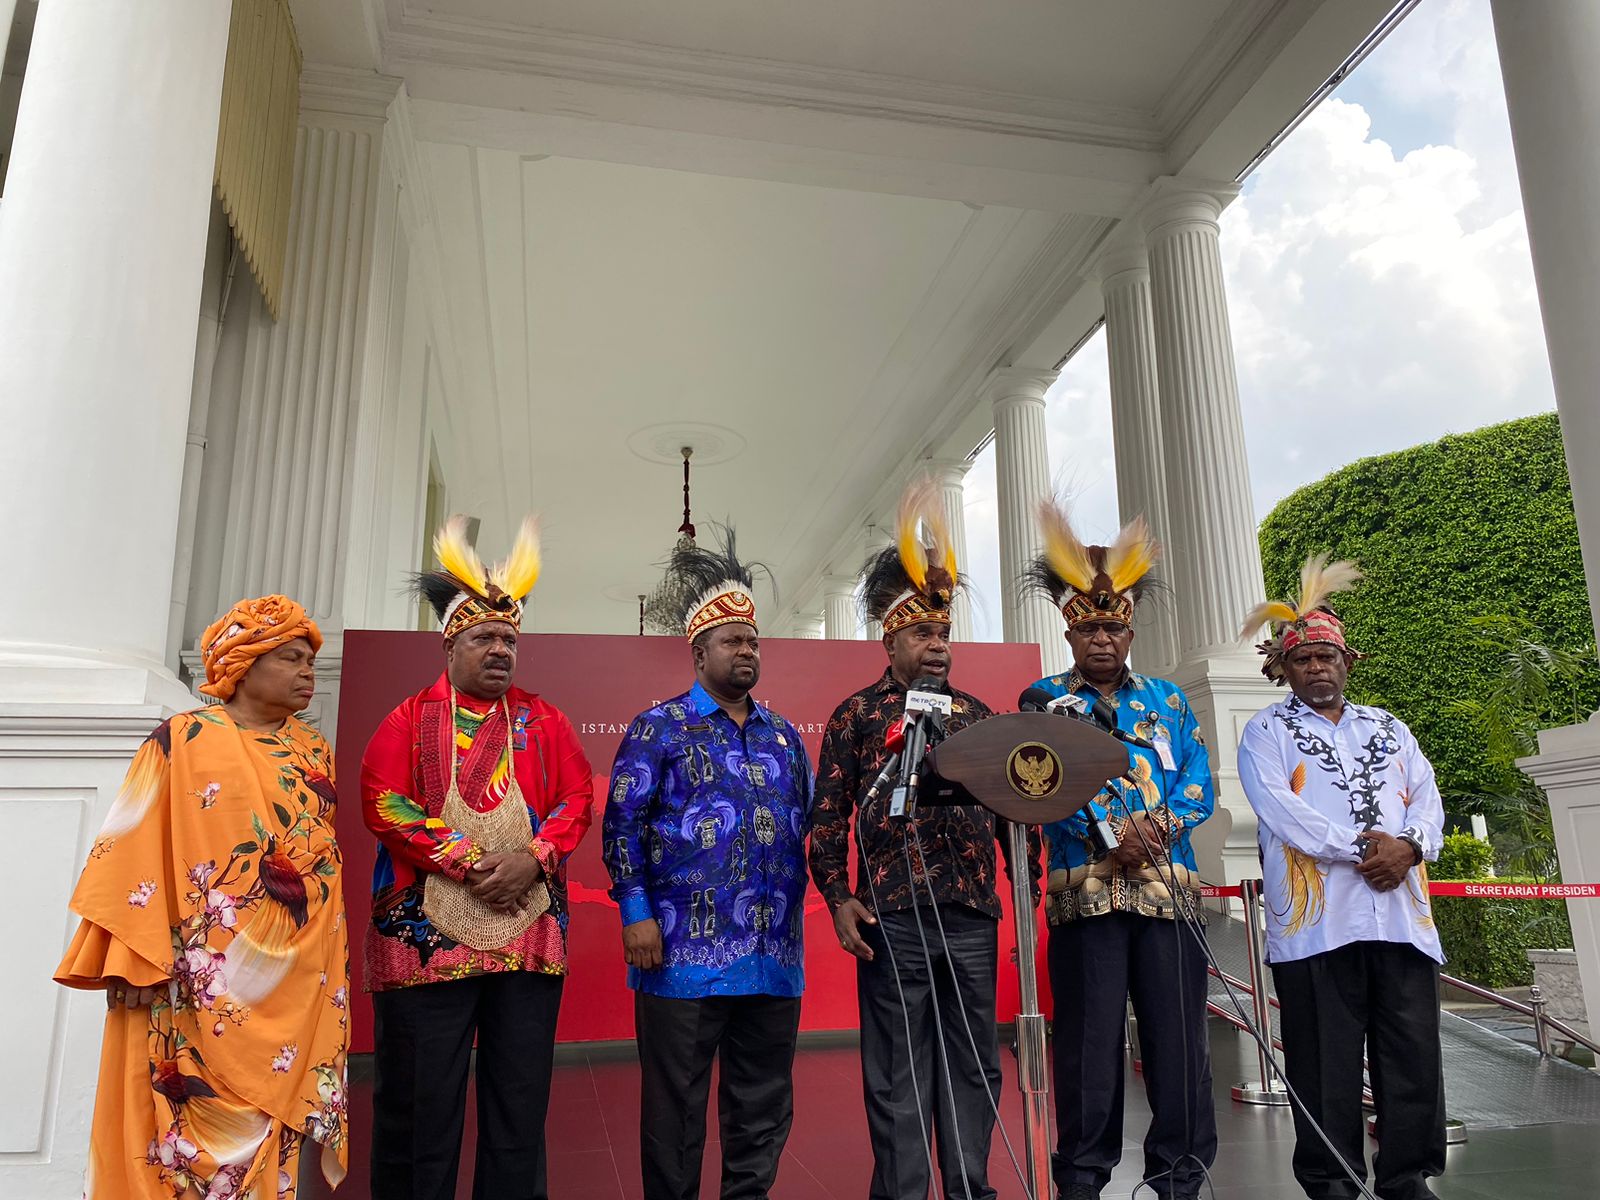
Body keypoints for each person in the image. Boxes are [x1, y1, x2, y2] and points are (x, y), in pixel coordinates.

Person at [54, 594, 349, 1199]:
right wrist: (132, 956)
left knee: (272, 1122)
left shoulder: (313, 750)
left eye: (310, 662)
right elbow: (132, 843)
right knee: (175, 1124)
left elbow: (318, 852)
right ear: (242, 664)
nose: (307, 673)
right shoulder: (182, 737)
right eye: (291, 658)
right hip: (194, 974)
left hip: (295, 979)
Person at [809, 478, 1040, 1200]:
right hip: (892, 916)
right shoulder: (856, 716)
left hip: (971, 914)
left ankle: (972, 1188)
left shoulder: (981, 716)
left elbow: (1013, 816)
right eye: (922, 634)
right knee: (899, 1069)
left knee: (974, 1063)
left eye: (944, 634)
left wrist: (1025, 900)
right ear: (890, 639)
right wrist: (838, 898)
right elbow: (827, 817)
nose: (937, 645)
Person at [360, 516, 595, 1200]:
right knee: (418, 1105)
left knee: (518, 1102)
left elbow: (578, 797)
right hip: (423, 937)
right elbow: (383, 801)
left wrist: (535, 857)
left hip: (527, 932)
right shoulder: (407, 720)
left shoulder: (545, 720)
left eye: (509, 640)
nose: (500, 650)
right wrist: (468, 861)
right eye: (484, 638)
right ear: (450, 644)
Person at [603, 529, 814, 1200]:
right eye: (732, 641)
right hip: (680, 957)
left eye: (753, 641)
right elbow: (622, 826)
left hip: (773, 955)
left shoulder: (785, 738)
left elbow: (810, 824)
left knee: (762, 1108)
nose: (747, 650)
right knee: (676, 1113)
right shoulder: (657, 727)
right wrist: (635, 913)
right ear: (699, 653)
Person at [1022, 500, 1216, 1200]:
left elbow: (1198, 780)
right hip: (1087, 899)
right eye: (1089, 628)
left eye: (1113, 627)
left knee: (1179, 1043)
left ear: (1130, 631)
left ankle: (1181, 1176)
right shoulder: (1043, 700)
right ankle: (1081, 1178)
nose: (1101, 638)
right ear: (1069, 632)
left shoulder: (1169, 700)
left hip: (1169, 896)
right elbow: (1042, 781)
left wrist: (1154, 829)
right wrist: (1112, 833)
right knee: (1088, 1046)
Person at [1237, 556, 1446, 1200]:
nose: (1316, 668)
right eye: (1302, 660)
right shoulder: (1264, 732)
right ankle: (1332, 1182)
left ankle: (1408, 1178)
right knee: (1323, 1062)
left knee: (1411, 1055)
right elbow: (1281, 810)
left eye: (1326, 656)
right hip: (1318, 925)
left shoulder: (1389, 726)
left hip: (1401, 919)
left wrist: (1409, 848)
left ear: (1346, 661)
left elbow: (1427, 798)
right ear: (1283, 669)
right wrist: (1364, 848)